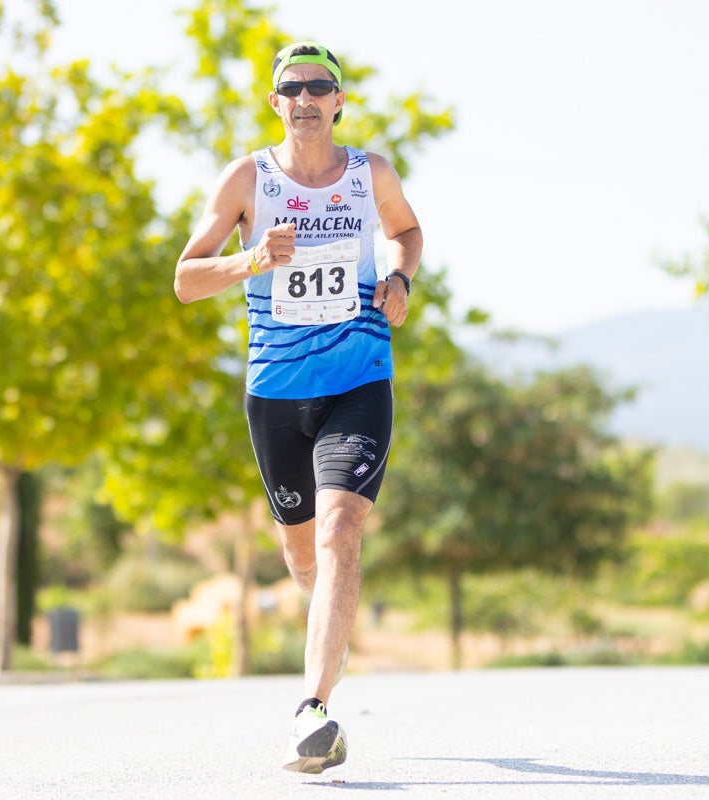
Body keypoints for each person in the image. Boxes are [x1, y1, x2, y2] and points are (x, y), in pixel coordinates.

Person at [175, 41, 422, 774]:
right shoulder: (247, 178)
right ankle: (332, 625)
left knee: (341, 530)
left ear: (340, 101)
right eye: (293, 88)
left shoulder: (368, 173)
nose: (307, 98)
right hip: (276, 390)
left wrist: (401, 279)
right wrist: (251, 258)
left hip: (358, 376)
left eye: (321, 86)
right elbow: (187, 279)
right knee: (301, 549)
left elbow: (406, 232)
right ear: (276, 102)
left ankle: (313, 709)